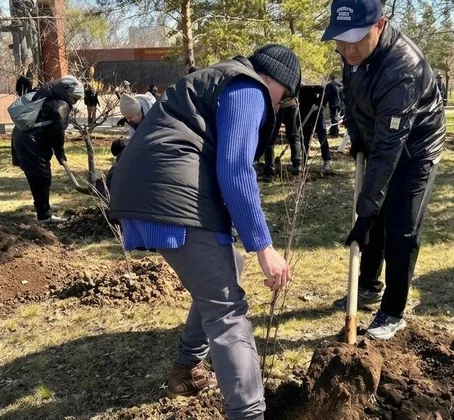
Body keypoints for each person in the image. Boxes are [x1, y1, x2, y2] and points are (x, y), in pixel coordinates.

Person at [109, 44, 299, 420]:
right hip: (170, 194)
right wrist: (263, 245)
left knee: (227, 268)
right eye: (285, 97)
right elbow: (235, 168)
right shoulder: (248, 88)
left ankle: (186, 370)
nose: (279, 106)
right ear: (276, 81)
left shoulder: (221, 79)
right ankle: (249, 414)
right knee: (227, 310)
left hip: (148, 188)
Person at [323, 0, 445, 340]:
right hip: (381, 137)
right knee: (374, 219)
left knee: (400, 228)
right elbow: (353, 96)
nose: (346, 49)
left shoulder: (401, 69)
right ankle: (368, 286)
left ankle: (393, 311)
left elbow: (391, 148)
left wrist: (364, 212)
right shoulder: (354, 54)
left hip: (416, 148)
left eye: (355, 39)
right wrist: (359, 137)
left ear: (380, 25)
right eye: (340, 39)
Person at [12, 76, 83, 223]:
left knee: (37, 177)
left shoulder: (45, 94)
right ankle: (44, 215)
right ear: (66, 92)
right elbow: (57, 133)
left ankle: (43, 205)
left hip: (22, 138)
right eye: (74, 98)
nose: (75, 102)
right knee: (41, 178)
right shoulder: (61, 106)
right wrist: (60, 152)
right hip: (31, 143)